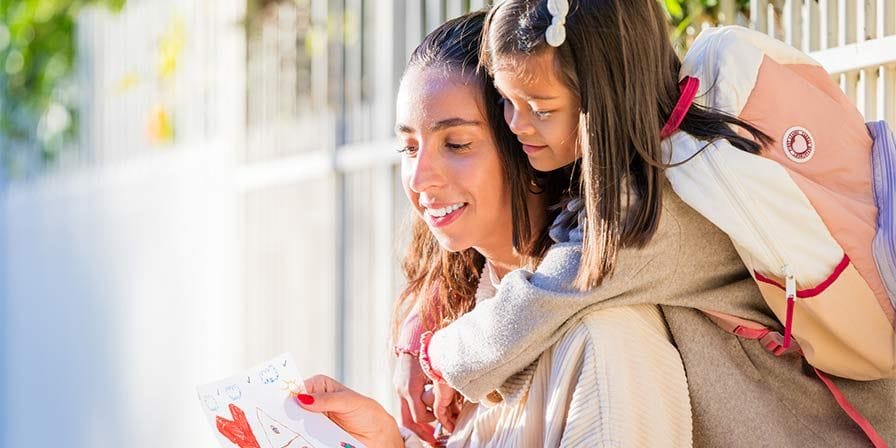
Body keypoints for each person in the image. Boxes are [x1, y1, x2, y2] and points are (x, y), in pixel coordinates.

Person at [406, 0, 895, 446]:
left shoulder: (656, 209)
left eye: (540, 109)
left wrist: (436, 356)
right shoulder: (674, 157)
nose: (515, 125)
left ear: (604, 97)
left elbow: (536, 302)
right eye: (506, 102)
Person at [298, 10, 692, 447]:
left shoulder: (603, 343)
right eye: (408, 146)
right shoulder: (470, 317)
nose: (418, 177)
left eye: (457, 144)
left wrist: (433, 354)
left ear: (532, 146)